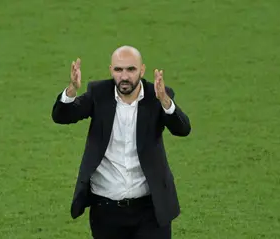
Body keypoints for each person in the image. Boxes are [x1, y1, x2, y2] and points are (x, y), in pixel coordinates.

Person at [51, 45, 191, 239]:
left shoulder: (156, 95)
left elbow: (182, 129)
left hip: (150, 210)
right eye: (118, 70)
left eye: (131, 69)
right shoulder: (98, 93)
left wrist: (165, 101)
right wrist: (72, 89)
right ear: (111, 70)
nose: (124, 76)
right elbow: (62, 116)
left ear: (142, 70)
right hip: (106, 211)